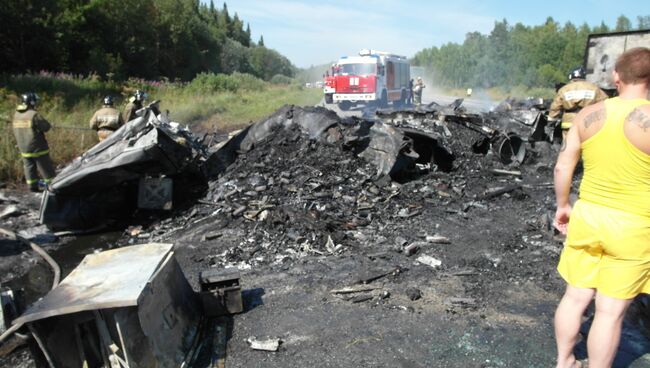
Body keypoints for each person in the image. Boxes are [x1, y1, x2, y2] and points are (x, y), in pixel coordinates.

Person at [553, 47, 650, 368]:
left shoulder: (587, 116)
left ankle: (565, 361)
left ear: (616, 76)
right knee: (609, 311)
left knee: (575, 297)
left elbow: (562, 167)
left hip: (588, 216)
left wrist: (563, 205)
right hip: (634, 226)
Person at [549, 66, 608, 143]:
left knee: (569, 146)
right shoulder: (594, 88)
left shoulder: (564, 89)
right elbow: (606, 103)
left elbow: (555, 107)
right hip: (588, 121)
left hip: (569, 123)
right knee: (587, 145)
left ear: (571, 76)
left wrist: (551, 119)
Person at [12, 93, 56, 192]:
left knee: (29, 167)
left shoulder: (16, 115)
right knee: (46, 168)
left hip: (23, 147)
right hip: (37, 147)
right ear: (32, 102)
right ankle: (53, 187)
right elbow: (46, 127)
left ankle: (32, 187)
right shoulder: (33, 115)